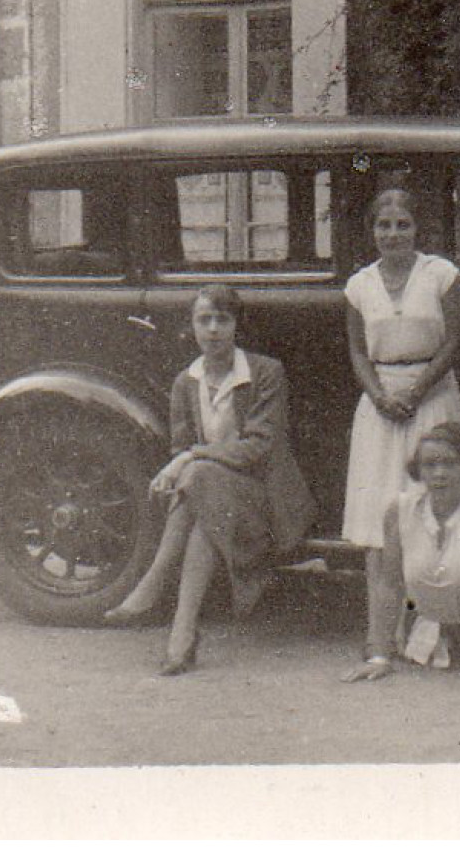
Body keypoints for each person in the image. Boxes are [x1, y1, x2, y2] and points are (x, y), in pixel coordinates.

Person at [104, 284, 315, 676]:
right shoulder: (186, 382)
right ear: (193, 326)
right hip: (215, 501)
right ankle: (181, 638)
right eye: (205, 320)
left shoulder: (266, 373)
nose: (214, 329)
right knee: (203, 499)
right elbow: (181, 450)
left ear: (236, 326)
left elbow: (258, 448)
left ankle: (154, 582)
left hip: (266, 499)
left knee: (199, 476)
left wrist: (191, 456)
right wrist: (188, 458)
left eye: (223, 319)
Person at [341, 188, 460, 660]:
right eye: (383, 226)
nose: (392, 235)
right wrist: (378, 395)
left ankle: (434, 632)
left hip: (431, 401)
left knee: (434, 514)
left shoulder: (440, 276)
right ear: (372, 231)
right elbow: (357, 350)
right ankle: (383, 636)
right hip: (380, 408)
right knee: (381, 520)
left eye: (403, 225)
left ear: (418, 229)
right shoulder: (359, 285)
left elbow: (454, 340)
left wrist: (417, 391)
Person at [340, 423, 460, 689]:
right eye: (429, 465)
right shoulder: (400, 509)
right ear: (418, 470)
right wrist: (379, 657)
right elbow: (389, 585)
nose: (439, 474)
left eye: (450, 463)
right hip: (419, 634)